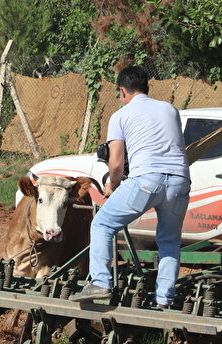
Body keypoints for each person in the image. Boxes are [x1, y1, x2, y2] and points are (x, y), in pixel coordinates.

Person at [70, 65, 190, 307]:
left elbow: (116, 164)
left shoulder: (120, 116)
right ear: (147, 88)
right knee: (169, 242)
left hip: (146, 180)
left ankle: (101, 282)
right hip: (179, 180)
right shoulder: (170, 109)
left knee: (102, 224)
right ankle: (164, 299)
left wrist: (112, 187)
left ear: (122, 91)